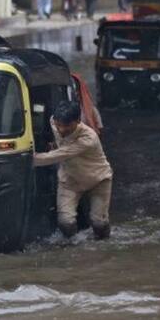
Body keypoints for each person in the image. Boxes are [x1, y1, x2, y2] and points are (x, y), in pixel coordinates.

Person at [33, 101, 113, 240]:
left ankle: (105, 244)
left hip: (98, 180)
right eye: (59, 125)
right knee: (65, 222)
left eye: (67, 126)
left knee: (99, 222)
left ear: (78, 121)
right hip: (70, 180)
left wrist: (27, 159)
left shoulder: (88, 138)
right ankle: (73, 246)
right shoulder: (53, 122)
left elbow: (60, 154)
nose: (62, 130)